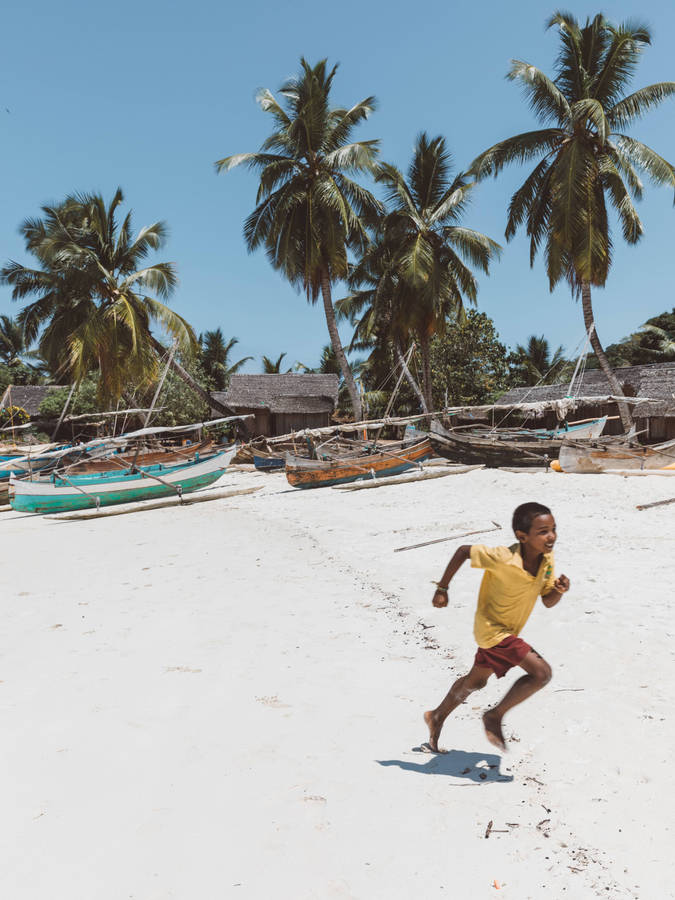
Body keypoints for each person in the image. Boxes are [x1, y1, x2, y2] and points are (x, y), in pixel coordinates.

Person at [423, 502, 570, 752]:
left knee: (476, 682)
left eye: (553, 529)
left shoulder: (547, 560)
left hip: (507, 631)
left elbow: (547, 601)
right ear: (522, 536)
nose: (551, 536)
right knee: (541, 673)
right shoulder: (503, 558)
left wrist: (559, 590)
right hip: (492, 630)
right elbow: (462, 551)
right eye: (543, 531)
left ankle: (436, 716)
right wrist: (442, 589)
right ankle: (494, 716)